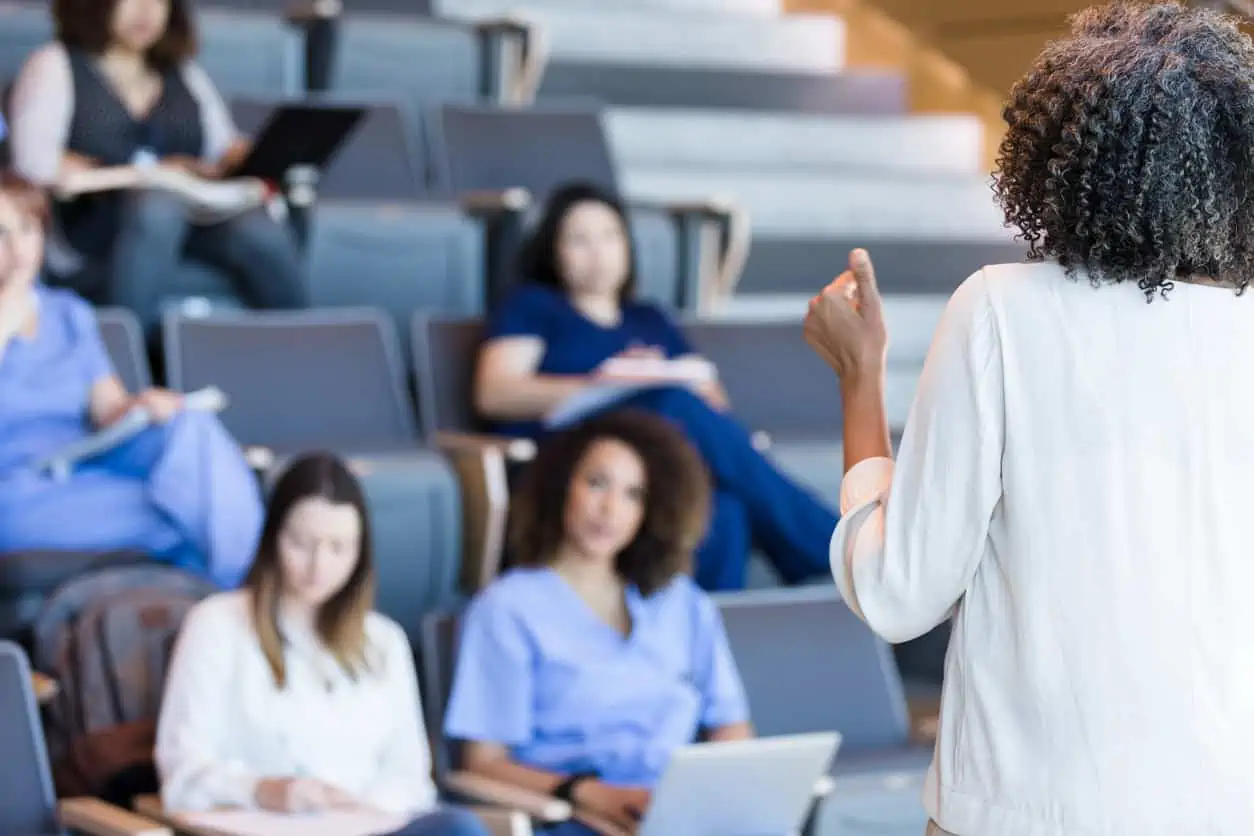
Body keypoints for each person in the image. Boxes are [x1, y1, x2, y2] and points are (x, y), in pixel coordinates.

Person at [804, 4, 1254, 836]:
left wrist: (859, 376)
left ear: (1060, 158)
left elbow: (901, 590)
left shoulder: (1004, 313)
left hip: (1024, 810)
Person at [476, 181, 837, 591]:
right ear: (553, 251)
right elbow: (496, 392)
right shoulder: (535, 306)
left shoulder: (649, 318)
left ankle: (708, 634)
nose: (598, 252)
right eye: (579, 240)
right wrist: (601, 384)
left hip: (653, 458)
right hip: (572, 451)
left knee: (726, 508)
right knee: (669, 402)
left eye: (609, 237)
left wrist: (667, 382)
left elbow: (712, 400)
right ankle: (829, 548)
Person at [444, 411, 753, 836]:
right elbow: (483, 763)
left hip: (679, 813)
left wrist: (714, 795)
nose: (609, 509)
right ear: (562, 487)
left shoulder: (682, 603)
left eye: (634, 494)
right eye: (596, 483)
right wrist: (585, 794)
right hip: (574, 814)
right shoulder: (507, 608)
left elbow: (731, 725)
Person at [155, 453, 489, 836]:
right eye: (301, 543)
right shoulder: (217, 624)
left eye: (338, 548)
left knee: (459, 827)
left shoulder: (383, 641)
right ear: (272, 537)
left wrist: (362, 806)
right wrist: (263, 790)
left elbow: (410, 779)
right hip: (264, 829)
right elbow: (183, 771)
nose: (318, 566)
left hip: (364, 827)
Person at [0, 171, 260, 588]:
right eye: (0, 233)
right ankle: (244, 596)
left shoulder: (68, 313)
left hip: (85, 463)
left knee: (190, 427)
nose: (15, 250)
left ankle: (236, 591)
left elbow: (108, 410)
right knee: (192, 510)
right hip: (18, 489)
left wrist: (140, 407)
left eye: (27, 230)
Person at [7, 0, 307, 334]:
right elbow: (33, 163)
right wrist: (135, 171)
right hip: (95, 229)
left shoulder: (182, 71)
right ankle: (122, 359)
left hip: (191, 220)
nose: (146, 10)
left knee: (256, 227)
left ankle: (304, 347)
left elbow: (221, 147)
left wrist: (259, 153)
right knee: (157, 207)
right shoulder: (55, 64)